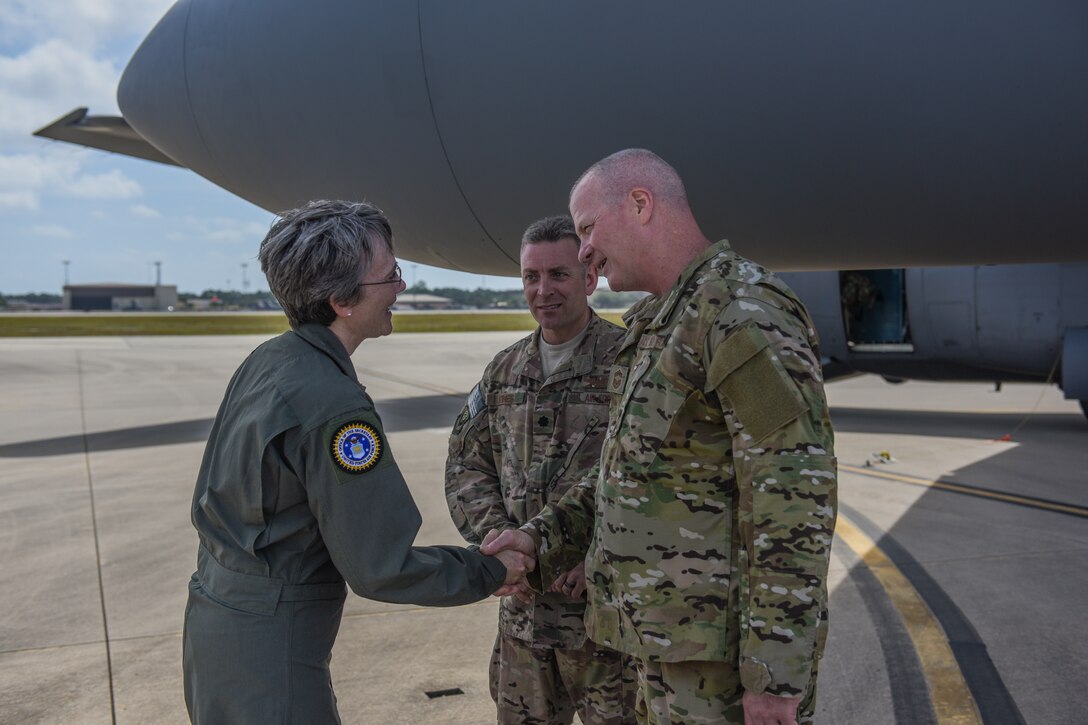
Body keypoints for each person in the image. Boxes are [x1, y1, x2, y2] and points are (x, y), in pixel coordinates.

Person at [482, 150, 837, 725]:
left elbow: (794, 500)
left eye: (588, 228)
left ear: (640, 204)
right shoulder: (660, 323)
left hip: (721, 672)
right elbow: (621, 479)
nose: (584, 251)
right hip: (660, 652)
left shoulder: (739, 312)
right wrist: (537, 538)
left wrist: (775, 675)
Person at [182, 199, 532, 724]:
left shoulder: (270, 360)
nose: (401, 288)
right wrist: (487, 570)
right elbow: (380, 567)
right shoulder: (335, 406)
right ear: (342, 299)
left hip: (215, 624)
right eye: (389, 275)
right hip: (271, 656)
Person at [445, 215, 635, 724]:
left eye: (558, 274)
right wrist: (502, 544)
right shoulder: (504, 370)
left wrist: (598, 557)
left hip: (603, 625)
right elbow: (467, 464)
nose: (542, 290)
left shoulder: (628, 365)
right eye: (531, 276)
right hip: (524, 622)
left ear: (589, 277)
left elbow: (647, 479)